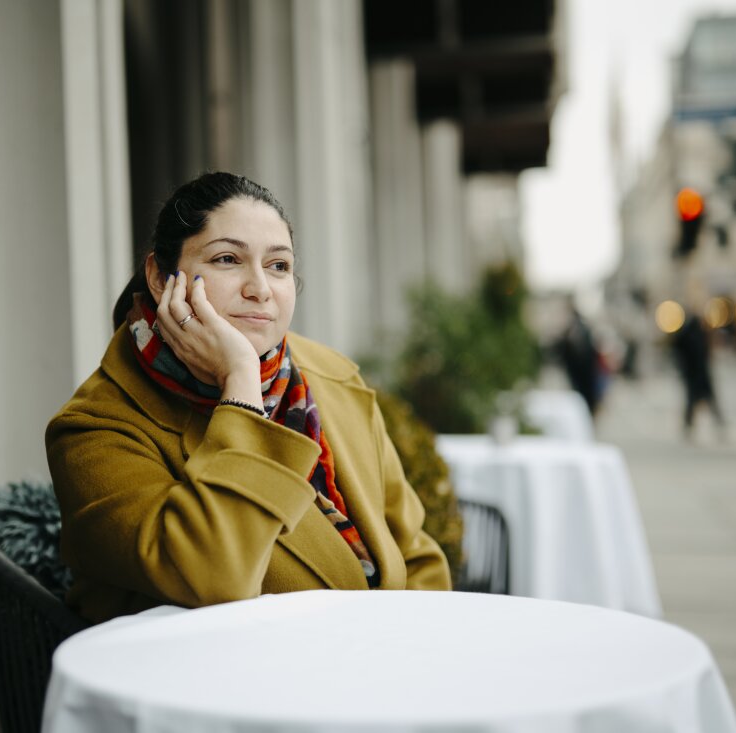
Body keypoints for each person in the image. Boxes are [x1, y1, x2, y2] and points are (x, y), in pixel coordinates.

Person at [46, 172, 451, 625]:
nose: (260, 287)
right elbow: (216, 574)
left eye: (278, 266)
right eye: (227, 259)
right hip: (213, 685)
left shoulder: (334, 380)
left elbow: (417, 557)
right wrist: (239, 383)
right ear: (161, 279)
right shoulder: (96, 430)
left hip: (369, 669)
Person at [672, 312, 724, 437]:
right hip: (698, 374)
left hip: (694, 374)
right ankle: (717, 424)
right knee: (701, 400)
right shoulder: (695, 336)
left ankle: (693, 424)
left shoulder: (690, 335)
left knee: (695, 401)